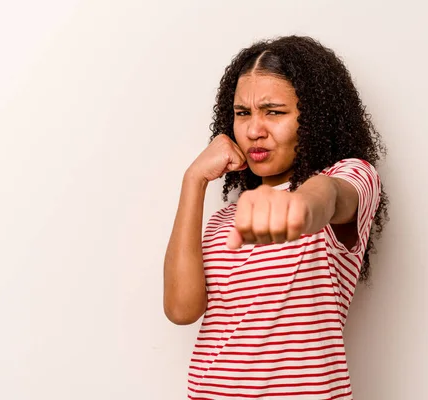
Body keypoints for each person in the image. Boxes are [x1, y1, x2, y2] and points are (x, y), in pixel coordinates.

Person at [163, 35, 388, 400]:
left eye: (274, 112)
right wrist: (193, 181)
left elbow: (327, 198)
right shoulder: (225, 220)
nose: (254, 130)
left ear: (314, 118)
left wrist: (298, 206)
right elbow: (181, 309)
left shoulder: (352, 176)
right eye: (242, 113)